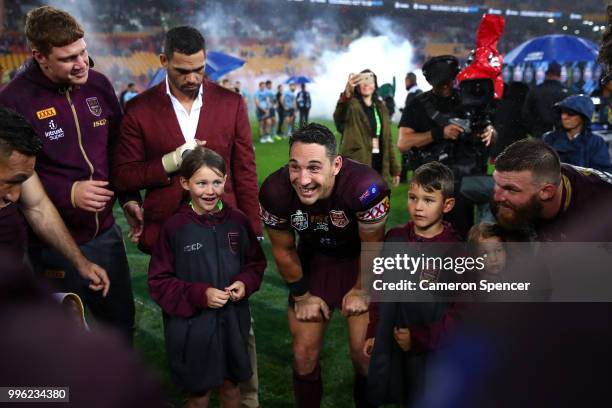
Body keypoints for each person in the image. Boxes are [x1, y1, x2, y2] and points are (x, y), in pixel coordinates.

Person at [113, 25, 262, 407]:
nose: (194, 78)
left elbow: (244, 170)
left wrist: (253, 230)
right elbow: (124, 175)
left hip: (227, 236)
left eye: (200, 68)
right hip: (171, 238)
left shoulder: (231, 103)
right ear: (163, 62)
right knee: (188, 340)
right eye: (183, 70)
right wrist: (169, 162)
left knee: (236, 346)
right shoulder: (139, 109)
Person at [0, 6, 138, 341]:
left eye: (83, 52)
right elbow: (12, 177)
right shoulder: (13, 100)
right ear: (39, 56)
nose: (81, 64)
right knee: (62, 339)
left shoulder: (100, 85)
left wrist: (130, 198)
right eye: (67, 58)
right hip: (49, 244)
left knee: (119, 326)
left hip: (105, 233)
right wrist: (68, 192)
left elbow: (118, 151)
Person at [259, 123, 390, 407]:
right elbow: (283, 249)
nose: (302, 179)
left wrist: (362, 290)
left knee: (364, 355)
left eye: (314, 167)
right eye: (295, 166)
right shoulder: (274, 190)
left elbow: (373, 246)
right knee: (303, 356)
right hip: (315, 262)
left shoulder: (366, 187)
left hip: (360, 263)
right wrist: (302, 295)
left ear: (336, 164)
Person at [148, 147, 265, 408]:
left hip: (233, 321)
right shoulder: (175, 228)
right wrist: (200, 295)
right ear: (185, 183)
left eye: (216, 182)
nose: (210, 191)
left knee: (231, 386)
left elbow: (255, 263)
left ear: (225, 181)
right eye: (201, 183)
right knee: (199, 394)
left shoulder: (237, 221)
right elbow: (159, 281)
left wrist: (244, 283)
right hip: (192, 328)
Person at [363, 161, 463, 406]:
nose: (418, 207)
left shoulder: (456, 252)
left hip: (432, 348)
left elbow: (461, 313)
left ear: (447, 205)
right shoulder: (394, 238)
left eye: (428, 200)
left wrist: (419, 337)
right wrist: (374, 329)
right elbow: (380, 286)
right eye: (412, 197)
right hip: (393, 341)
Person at [0, 106, 109, 294]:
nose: (15, 196)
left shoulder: (14, 162)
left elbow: (38, 207)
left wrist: (81, 262)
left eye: (22, 181)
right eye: (10, 183)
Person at [397, 55, 495, 238]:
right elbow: (403, 143)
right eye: (442, 83)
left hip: (466, 180)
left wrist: (490, 132)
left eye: (450, 81)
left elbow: (490, 132)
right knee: (433, 237)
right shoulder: (418, 104)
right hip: (434, 183)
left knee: (464, 234)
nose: (447, 86)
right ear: (431, 82)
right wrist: (439, 133)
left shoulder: (469, 99)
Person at [492, 138, 612, 241]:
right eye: (497, 184)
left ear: (546, 192)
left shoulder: (601, 201)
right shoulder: (505, 200)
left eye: (511, 189)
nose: (498, 197)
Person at [334, 69, 400, 186]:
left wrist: (395, 170)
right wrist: (346, 94)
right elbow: (339, 116)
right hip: (358, 163)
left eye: (370, 81)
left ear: (375, 85)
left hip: (379, 162)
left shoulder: (381, 108)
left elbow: (388, 140)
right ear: (357, 85)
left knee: (378, 201)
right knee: (358, 201)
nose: (366, 84)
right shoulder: (351, 105)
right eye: (362, 81)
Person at [543, 95, 611, 172]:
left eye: (570, 113)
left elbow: (602, 175)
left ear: (583, 117)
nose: (564, 117)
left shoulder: (596, 142)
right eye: (562, 112)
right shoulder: (550, 138)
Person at [521, 61, 570, 139]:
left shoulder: (535, 90)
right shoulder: (566, 92)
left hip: (539, 134)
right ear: (560, 74)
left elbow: (526, 114)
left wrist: (533, 131)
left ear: (546, 74)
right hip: (561, 136)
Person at [399, 72, 422, 182]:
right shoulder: (421, 92)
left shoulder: (412, 95)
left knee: (406, 152)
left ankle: (403, 178)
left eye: (405, 81)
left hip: (411, 129)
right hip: (419, 129)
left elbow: (410, 113)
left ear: (408, 81)